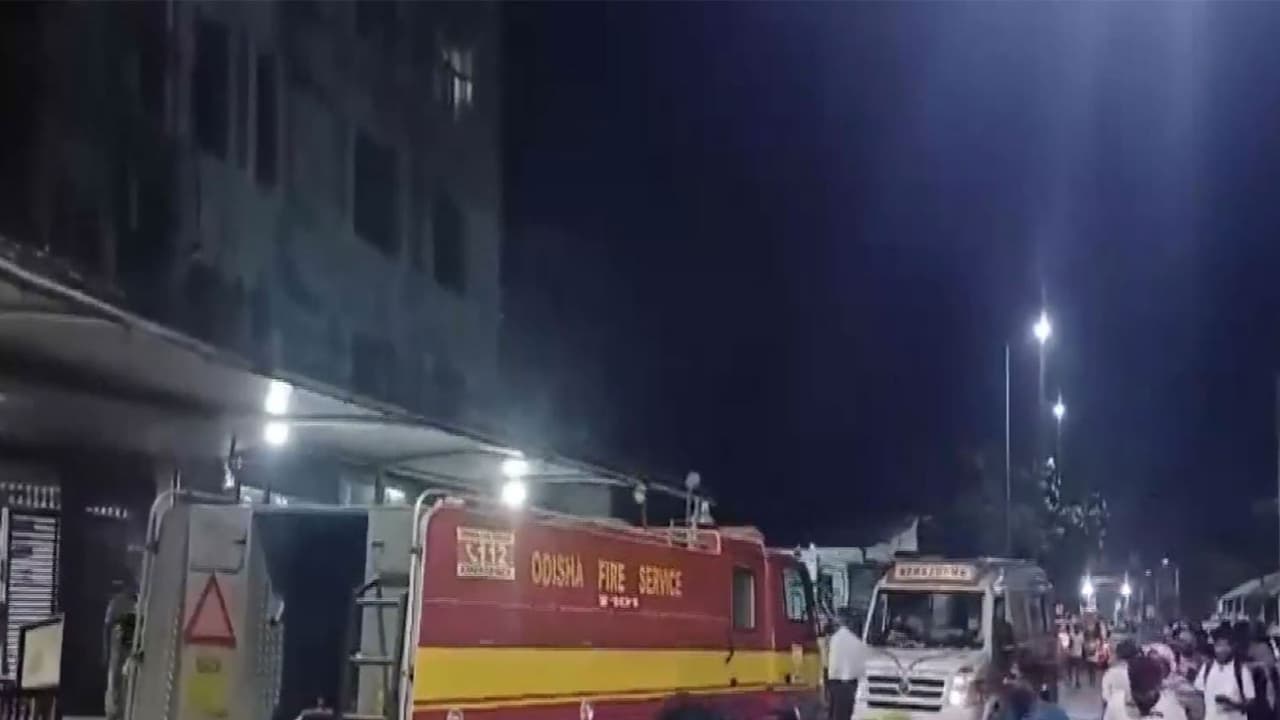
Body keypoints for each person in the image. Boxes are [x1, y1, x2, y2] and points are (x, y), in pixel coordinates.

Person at [1196, 625, 1256, 720]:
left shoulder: (1241, 670)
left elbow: (1251, 702)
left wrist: (1232, 704)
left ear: (1233, 646)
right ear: (1214, 646)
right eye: (1219, 645)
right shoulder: (1207, 667)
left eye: (1226, 645)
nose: (1222, 650)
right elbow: (1199, 693)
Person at [1105, 655, 1189, 720]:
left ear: (1158, 686)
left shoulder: (1173, 710)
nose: (1141, 697)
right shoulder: (1116, 702)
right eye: (1137, 692)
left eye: (1146, 692)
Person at [828, 610, 868, 720]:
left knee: (835, 713)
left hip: (835, 682)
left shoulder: (834, 638)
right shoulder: (856, 641)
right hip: (850, 683)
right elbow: (862, 667)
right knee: (846, 713)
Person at [1104, 640, 1142, 714]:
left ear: (1117, 655)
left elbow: (1106, 697)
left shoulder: (1111, 673)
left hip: (1115, 712)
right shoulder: (1140, 673)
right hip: (1134, 713)